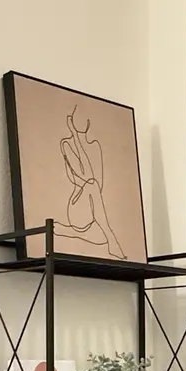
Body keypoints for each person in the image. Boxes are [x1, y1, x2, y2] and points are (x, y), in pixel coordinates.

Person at [58, 107, 125, 258]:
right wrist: (75, 137)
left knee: (101, 238)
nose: (83, 121)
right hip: (77, 208)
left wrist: (91, 185)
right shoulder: (67, 144)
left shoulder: (95, 146)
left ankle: (71, 231)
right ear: (71, 121)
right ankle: (111, 239)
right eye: (78, 116)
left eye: (86, 117)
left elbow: (97, 182)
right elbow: (85, 175)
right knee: (91, 184)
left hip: (93, 211)